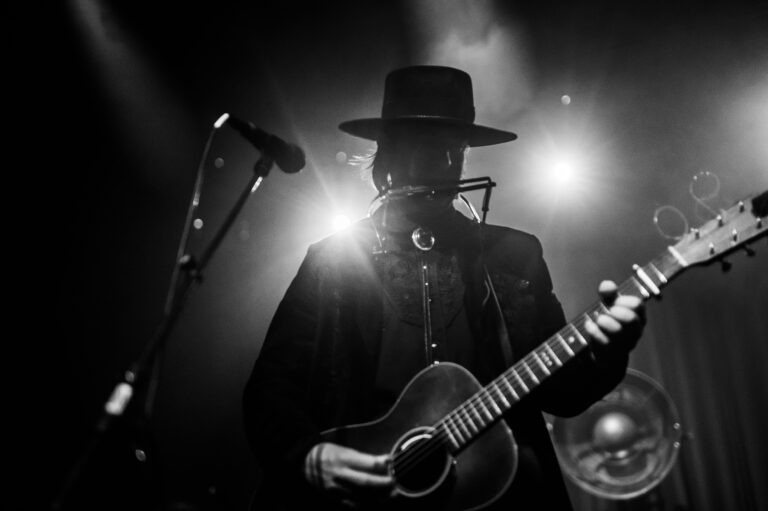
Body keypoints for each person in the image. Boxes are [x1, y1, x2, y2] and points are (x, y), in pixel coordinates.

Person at [243, 65, 645, 510]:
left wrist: (609, 353)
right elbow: (270, 389)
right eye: (428, 146)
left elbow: (562, 393)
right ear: (389, 153)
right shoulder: (332, 260)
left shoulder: (514, 254)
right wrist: (310, 457)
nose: (449, 162)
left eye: (457, 147)